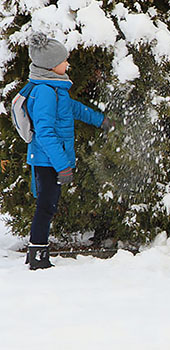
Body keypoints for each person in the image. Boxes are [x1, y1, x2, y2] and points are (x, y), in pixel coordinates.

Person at [24, 32, 113, 270]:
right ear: (52, 66)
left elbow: (72, 108)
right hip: (47, 160)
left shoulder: (54, 89)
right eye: (64, 61)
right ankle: (38, 255)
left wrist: (100, 120)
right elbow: (44, 133)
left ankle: (35, 250)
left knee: (47, 204)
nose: (68, 64)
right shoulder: (44, 91)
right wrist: (62, 164)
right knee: (46, 206)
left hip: (50, 159)